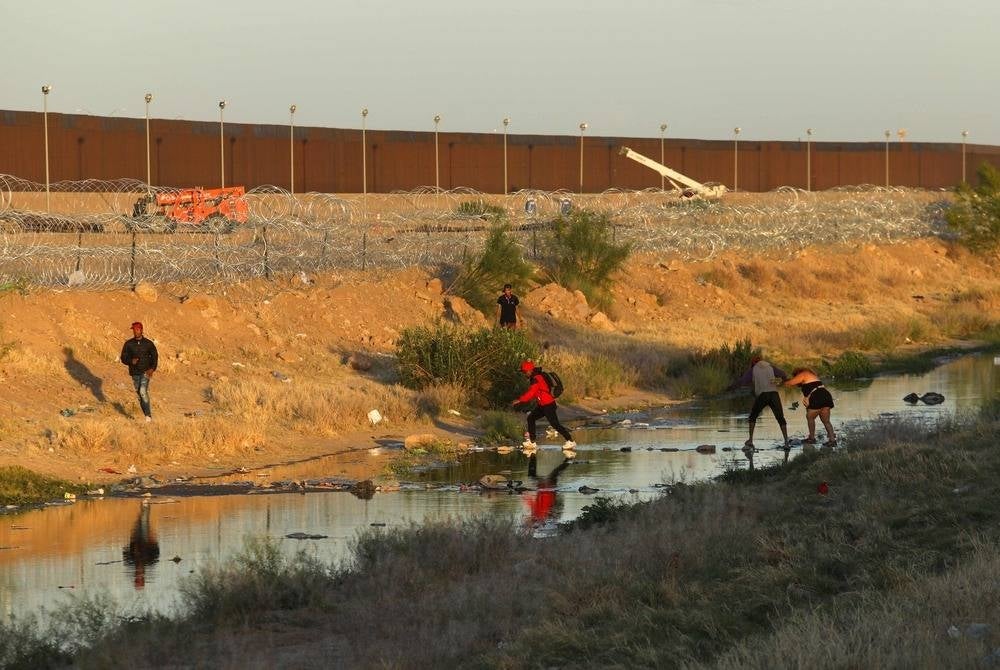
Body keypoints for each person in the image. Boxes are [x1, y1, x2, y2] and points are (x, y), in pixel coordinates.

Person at [511, 360, 576, 452]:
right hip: (543, 405)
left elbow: (531, 393)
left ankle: (570, 441)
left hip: (548, 405)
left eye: (524, 372)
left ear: (529, 370)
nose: (524, 374)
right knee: (531, 418)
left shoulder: (536, 378)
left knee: (555, 424)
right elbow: (535, 393)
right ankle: (532, 443)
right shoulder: (537, 377)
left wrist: (519, 400)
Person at [728, 354, 789, 449]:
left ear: (753, 363)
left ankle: (750, 440)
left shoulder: (753, 369)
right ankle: (786, 441)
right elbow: (783, 375)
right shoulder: (770, 367)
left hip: (762, 395)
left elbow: (742, 381)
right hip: (774, 394)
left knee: (753, 416)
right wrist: (780, 381)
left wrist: (731, 387)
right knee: (780, 417)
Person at [784, 367, 837, 445]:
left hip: (818, 396)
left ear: (798, 373)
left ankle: (811, 438)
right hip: (825, 395)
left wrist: (782, 381)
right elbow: (812, 389)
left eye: (795, 375)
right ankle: (832, 440)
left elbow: (790, 383)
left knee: (810, 417)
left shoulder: (804, 374)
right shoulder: (811, 376)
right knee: (826, 421)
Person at [120, 321, 158, 422]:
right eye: (134, 330)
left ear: (141, 330)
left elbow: (155, 356)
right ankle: (147, 415)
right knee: (140, 394)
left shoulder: (149, 343)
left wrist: (152, 369)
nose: (135, 332)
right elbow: (123, 358)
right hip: (134, 373)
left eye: (137, 329)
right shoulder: (128, 344)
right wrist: (130, 361)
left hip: (146, 372)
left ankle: (148, 417)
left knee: (142, 391)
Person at [524, 452, 571, 526]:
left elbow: (532, 503)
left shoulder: (537, 514)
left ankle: (533, 456)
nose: (526, 518)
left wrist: (525, 495)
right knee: (555, 473)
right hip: (547, 488)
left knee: (553, 473)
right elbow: (536, 502)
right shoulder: (539, 514)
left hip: (545, 488)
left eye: (527, 520)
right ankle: (568, 461)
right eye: (527, 520)